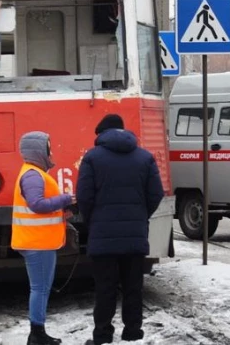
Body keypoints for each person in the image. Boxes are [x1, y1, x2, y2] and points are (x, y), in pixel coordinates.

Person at [77, 114, 164, 345]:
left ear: (101, 134)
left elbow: (84, 197)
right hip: (135, 236)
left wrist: (92, 220)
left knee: (105, 288)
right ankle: (133, 333)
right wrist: (140, 216)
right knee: (133, 287)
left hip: (103, 237)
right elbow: (156, 194)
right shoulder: (145, 158)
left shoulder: (92, 158)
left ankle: (103, 335)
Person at [12, 131, 75, 345]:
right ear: (38, 151)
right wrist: (65, 198)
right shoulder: (32, 175)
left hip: (40, 241)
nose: (51, 151)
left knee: (43, 288)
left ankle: (38, 332)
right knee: (39, 288)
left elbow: (40, 205)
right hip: (37, 242)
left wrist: (62, 210)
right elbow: (37, 204)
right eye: (48, 147)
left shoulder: (33, 173)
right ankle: (36, 334)